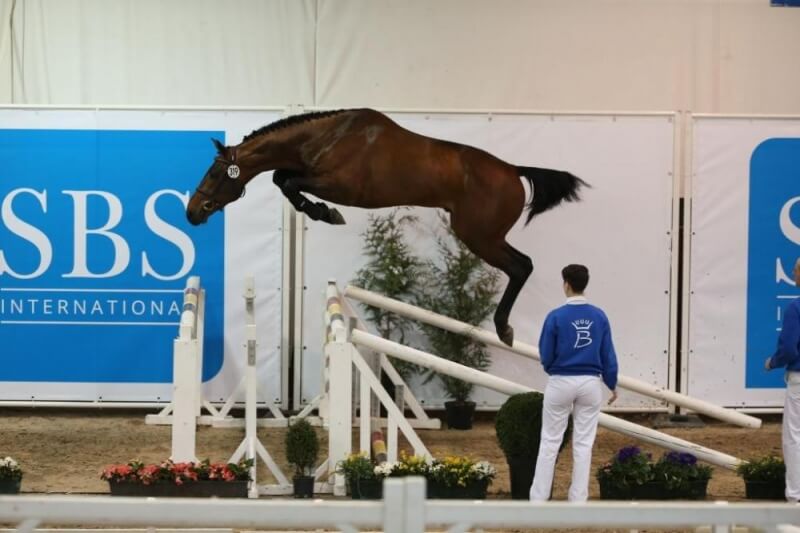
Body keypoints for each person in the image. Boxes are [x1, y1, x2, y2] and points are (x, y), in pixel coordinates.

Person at [530, 264, 618, 502]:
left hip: (560, 381)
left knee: (550, 442)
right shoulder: (599, 316)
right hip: (590, 383)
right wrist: (611, 383)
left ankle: (538, 500)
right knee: (583, 444)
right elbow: (608, 354)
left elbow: (546, 353)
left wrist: (553, 369)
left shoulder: (555, 316)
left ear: (566, 284)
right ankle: (578, 500)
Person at [764, 257, 800, 503]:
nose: (793, 274)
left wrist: (773, 362)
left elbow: (788, 348)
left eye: (796, 270)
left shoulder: (795, 308)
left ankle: (796, 496)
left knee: (794, 437)